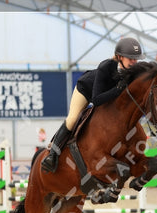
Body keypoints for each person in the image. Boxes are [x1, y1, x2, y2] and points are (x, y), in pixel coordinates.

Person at [41, 37, 145, 173]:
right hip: (86, 91)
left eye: (135, 59)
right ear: (119, 57)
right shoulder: (106, 67)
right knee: (73, 119)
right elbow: (96, 100)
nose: (134, 62)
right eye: (130, 58)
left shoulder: (133, 73)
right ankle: (52, 154)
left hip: (107, 97)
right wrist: (118, 90)